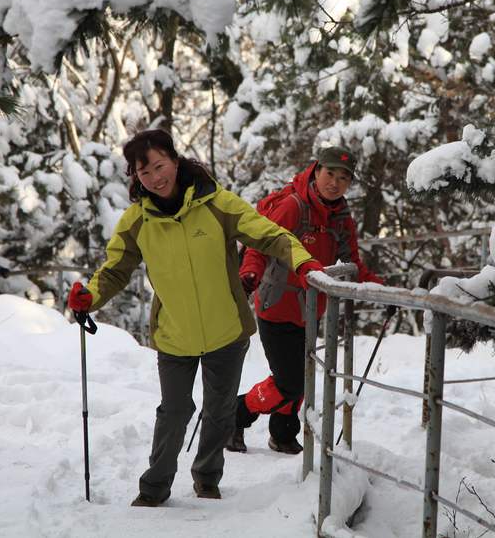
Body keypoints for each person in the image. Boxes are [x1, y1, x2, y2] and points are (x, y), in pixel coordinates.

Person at [65, 128, 323, 508]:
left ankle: (206, 476)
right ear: (135, 177)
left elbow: (269, 235)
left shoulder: (218, 204)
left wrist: (302, 261)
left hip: (226, 331)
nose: (155, 177)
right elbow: (116, 269)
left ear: (174, 159)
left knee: (219, 411)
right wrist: (91, 295)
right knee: (174, 411)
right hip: (175, 335)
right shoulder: (137, 221)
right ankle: (154, 488)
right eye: (144, 171)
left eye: (159, 165)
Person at [228, 146, 384, 455]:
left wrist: (384, 290)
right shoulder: (293, 207)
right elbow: (259, 246)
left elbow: (352, 263)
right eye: (330, 174)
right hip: (276, 305)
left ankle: (283, 434)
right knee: (290, 381)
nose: (335, 183)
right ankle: (234, 414)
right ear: (316, 171)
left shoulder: (340, 218)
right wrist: (249, 275)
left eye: (344, 178)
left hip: (311, 310)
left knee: (301, 374)